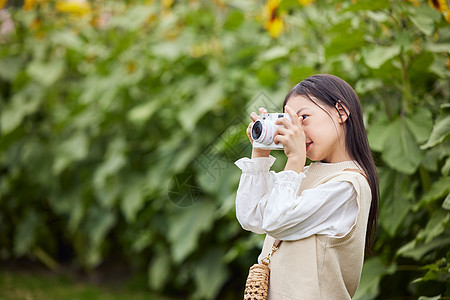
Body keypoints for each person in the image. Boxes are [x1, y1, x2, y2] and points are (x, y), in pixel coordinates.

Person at [234, 74, 379, 299]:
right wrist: (261, 151)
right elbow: (251, 216)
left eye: (303, 117)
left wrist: (294, 160)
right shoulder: (303, 175)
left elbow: (276, 222)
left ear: (341, 112)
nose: (297, 130)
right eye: (290, 121)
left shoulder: (350, 186)